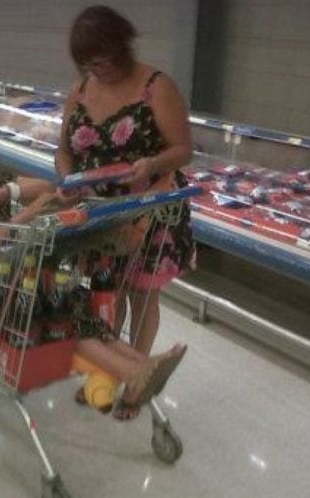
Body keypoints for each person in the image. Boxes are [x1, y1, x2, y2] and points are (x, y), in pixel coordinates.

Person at [0, 105, 186, 413]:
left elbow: (46, 187)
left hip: (13, 272)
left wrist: (8, 192)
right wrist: (27, 214)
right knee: (53, 310)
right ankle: (133, 372)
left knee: (69, 298)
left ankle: (144, 364)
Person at [56, 5, 195, 420]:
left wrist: (150, 165)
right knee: (105, 294)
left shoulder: (156, 86)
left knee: (142, 293)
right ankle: (107, 372)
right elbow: (63, 149)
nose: (99, 69)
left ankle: (139, 378)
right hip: (100, 211)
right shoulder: (80, 89)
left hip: (152, 205)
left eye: (106, 60)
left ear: (124, 48)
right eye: (90, 62)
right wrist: (67, 181)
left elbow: (183, 150)